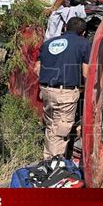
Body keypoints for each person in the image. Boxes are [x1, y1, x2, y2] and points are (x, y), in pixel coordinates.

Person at [35, 17, 91, 160]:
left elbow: (37, 68)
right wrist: (88, 90)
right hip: (65, 93)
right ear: (83, 32)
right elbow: (86, 73)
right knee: (60, 130)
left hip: (46, 90)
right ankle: (54, 165)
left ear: (65, 28)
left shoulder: (48, 43)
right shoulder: (84, 44)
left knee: (51, 126)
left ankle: (48, 159)